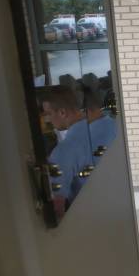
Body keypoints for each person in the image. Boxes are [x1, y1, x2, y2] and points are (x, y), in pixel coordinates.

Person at [42, 85, 94, 218]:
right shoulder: (107, 125)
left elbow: (57, 209)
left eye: (48, 114)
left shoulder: (63, 151)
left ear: (62, 113)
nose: (47, 120)